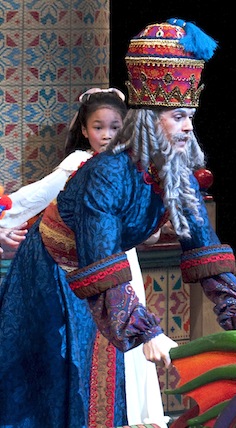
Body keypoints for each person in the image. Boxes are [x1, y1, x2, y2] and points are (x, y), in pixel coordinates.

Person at [0, 18, 236, 427]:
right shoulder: (107, 173)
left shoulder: (178, 173)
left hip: (103, 272)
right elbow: (99, 257)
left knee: (104, 371)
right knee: (58, 372)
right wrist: (146, 331)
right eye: (178, 116)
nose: (189, 126)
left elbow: (203, 244)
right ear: (149, 121)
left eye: (190, 116)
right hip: (53, 271)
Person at [0, 87, 169, 427]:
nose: (106, 135)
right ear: (84, 129)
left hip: (122, 265)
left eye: (115, 127)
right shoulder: (79, 164)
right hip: (87, 267)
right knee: (85, 349)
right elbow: (32, 198)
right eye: (98, 127)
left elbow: (149, 229)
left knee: (124, 347)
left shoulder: (134, 167)